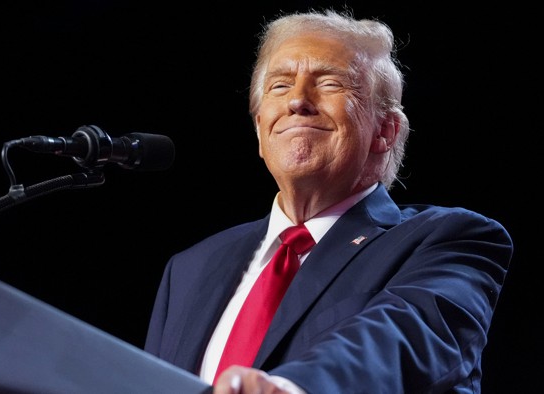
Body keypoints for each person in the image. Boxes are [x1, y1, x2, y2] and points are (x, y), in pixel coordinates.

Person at [144, 8, 513, 394]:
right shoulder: (189, 269)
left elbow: (398, 338)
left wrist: (288, 387)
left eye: (330, 83)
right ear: (259, 129)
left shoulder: (450, 240)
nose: (297, 102)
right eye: (280, 86)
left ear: (384, 131)